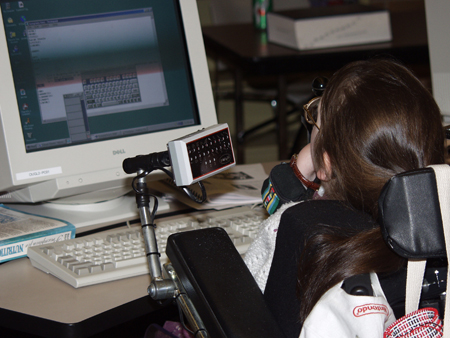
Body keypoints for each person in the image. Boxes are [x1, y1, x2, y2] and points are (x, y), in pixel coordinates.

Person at [244, 58, 446, 338]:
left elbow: (247, 292)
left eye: (315, 118)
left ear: (326, 164)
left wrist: (300, 178)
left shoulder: (299, 226)